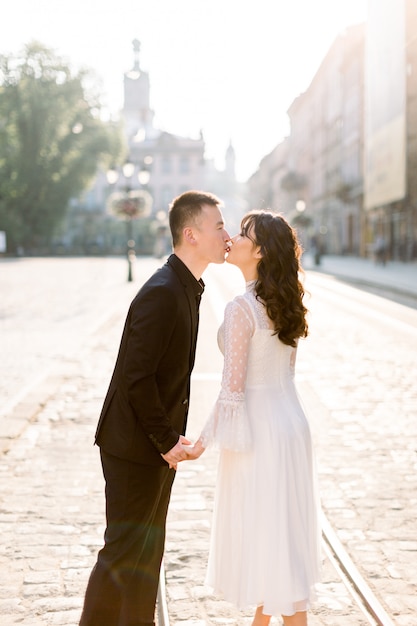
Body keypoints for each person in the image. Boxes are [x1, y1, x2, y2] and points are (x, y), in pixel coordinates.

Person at [79, 190, 231, 626]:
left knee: (146, 556)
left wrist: (167, 440)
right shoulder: (163, 292)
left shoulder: (186, 286)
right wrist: (166, 441)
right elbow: (136, 377)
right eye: (218, 226)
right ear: (191, 234)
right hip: (133, 447)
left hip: (151, 445)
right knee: (123, 553)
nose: (226, 233)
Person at [188, 210, 322, 626]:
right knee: (281, 550)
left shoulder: (242, 309)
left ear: (260, 251)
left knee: (271, 546)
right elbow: (287, 373)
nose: (232, 238)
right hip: (291, 425)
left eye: (243, 234)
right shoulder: (285, 303)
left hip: (260, 433)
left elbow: (233, 392)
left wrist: (198, 443)